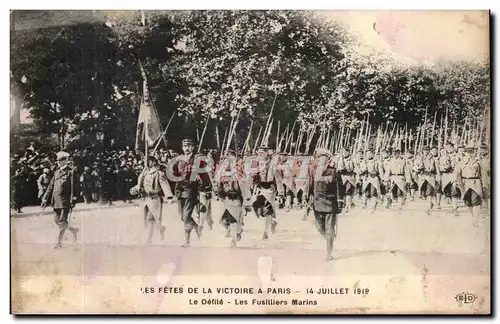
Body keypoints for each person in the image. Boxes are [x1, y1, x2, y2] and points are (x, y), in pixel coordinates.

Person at [308, 148, 345, 261]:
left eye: (324, 158)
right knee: (319, 227)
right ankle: (330, 239)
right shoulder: (313, 171)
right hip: (318, 203)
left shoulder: (334, 171)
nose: (321, 160)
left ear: (328, 159)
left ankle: (329, 254)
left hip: (330, 204)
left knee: (329, 230)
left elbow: (339, 188)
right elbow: (310, 186)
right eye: (319, 157)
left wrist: (339, 202)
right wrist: (308, 201)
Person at [130, 155, 173, 244]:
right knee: (146, 219)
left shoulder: (158, 172)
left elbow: (164, 184)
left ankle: (148, 239)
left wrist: (169, 196)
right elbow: (140, 184)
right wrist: (135, 189)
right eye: (145, 161)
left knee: (151, 218)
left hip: (154, 199)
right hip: (145, 198)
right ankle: (161, 229)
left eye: (148, 161)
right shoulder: (144, 172)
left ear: (153, 162)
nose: (146, 163)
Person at [41, 151, 79, 249]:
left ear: (65, 160)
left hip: (66, 201)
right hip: (56, 200)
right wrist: (45, 198)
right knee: (56, 220)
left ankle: (59, 242)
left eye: (60, 160)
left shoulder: (71, 171)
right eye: (57, 160)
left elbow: (75, 186)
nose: (58, 162)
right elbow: (51, 186)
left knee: (62, 221)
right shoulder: (56, 172)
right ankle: (73, 230)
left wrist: (74, 199)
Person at [173, 138, 203, 247]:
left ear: (192, 148)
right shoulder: (179, 160)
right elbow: (175, 175)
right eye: (185, 146)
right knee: (182, 216)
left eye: (189, 146)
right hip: (180, 190)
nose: (186, 148)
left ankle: (187, 241)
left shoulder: (196, 159)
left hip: (191, 189)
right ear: (182, 148)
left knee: (186, 216)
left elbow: (196, 176)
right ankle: (196, 227)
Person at [251, 145, 284, 240]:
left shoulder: (272, 164)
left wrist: (281, 192)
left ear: (266, 153)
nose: (260, 154)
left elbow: (278, 179)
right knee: (256, 207)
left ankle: (265, 232)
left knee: (267, 210)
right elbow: (251, 176)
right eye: (259, 152)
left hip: (269, 188)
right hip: (259, 188)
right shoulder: (255, 163)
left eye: (262, 152)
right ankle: (272, 222)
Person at [214, 149, 244, 247]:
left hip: (235, 198)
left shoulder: (239, 170)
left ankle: (234, 240)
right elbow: (217, 183)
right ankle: (235, 231)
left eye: (232, 157)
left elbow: (244, 185)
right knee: (222, 220)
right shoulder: (221, 171)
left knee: (233, 220)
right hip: (224, 199)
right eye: (227, 158)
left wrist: (247, 200)